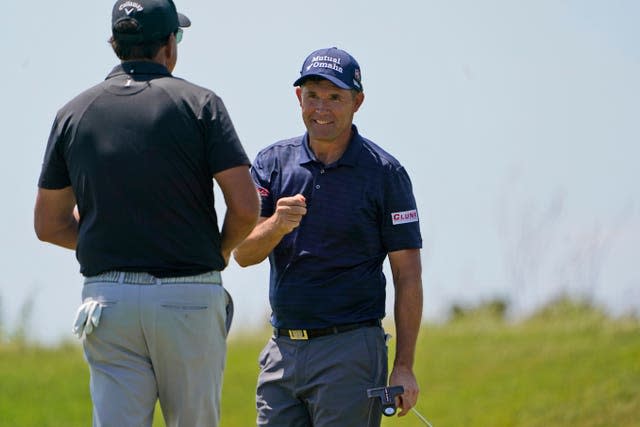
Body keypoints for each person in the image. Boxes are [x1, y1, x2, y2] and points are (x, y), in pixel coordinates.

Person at [34, 1, 259, 426]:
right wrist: (220, 249)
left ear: (114, 44)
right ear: (170, 45)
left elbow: (48, 224)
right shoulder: (201, 104)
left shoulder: (72, 113)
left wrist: (116, 235)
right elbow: (246, 208)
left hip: (107, 304)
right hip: (188, 296)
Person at [233, 46, 423, 427]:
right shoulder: (271, 163)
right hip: (282, 351)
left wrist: (403, 366)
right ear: (298, 98)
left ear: (358, 102)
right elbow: (243, 253)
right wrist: (276, 225)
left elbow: (408, 275)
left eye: (335, 97)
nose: (321, 108)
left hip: (350, 350)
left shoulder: (385, 173)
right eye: (313, 96)